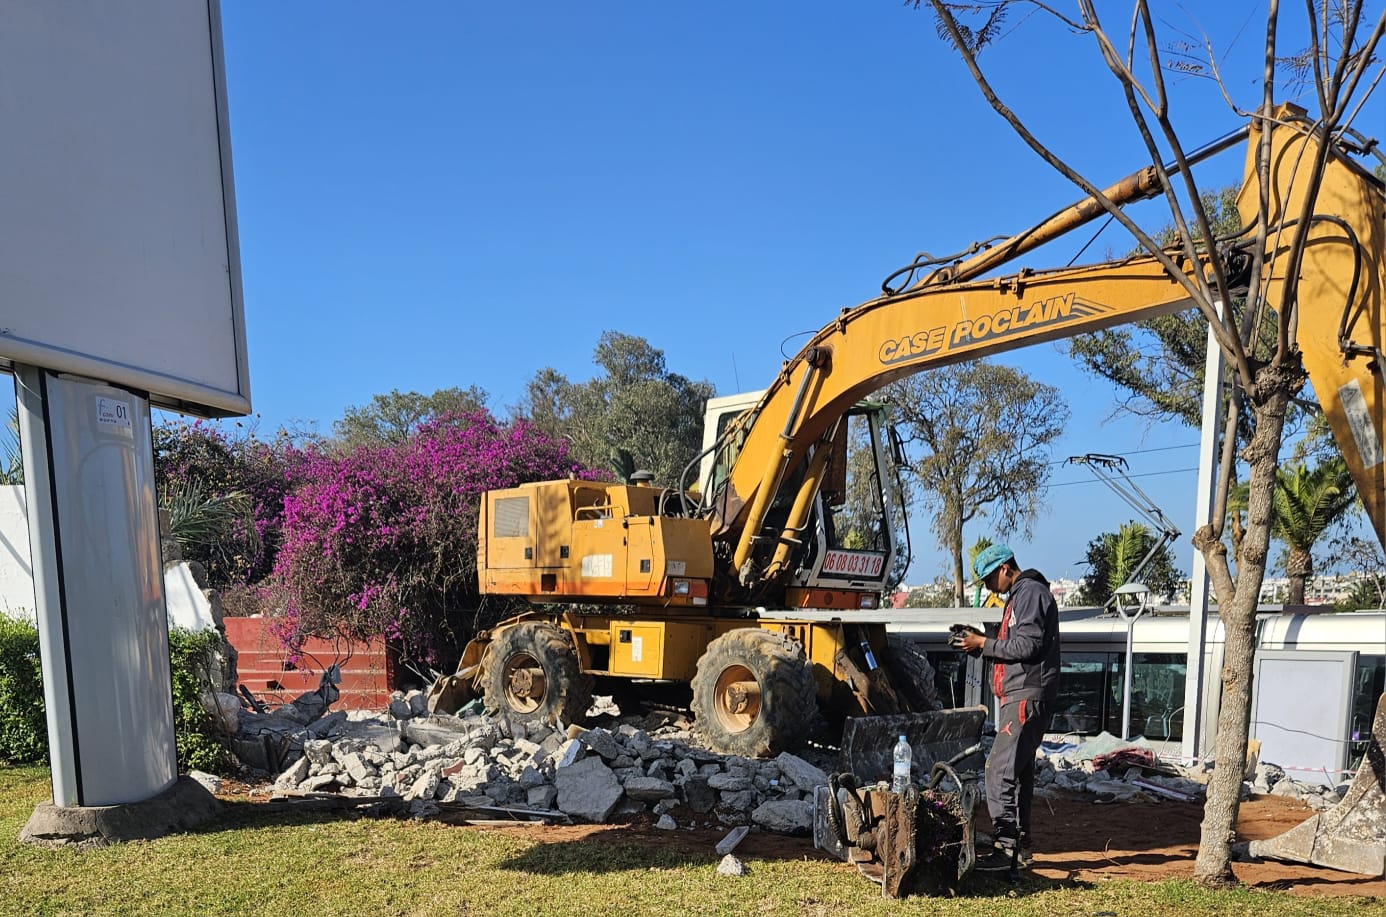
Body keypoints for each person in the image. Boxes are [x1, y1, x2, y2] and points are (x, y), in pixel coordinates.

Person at [953, 542, 1060, 873]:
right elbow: (1017, 646)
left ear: (1004, 569)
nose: (988, 589)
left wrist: (984, 643)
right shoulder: (1021, 595)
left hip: (1026, 695)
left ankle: (1006, 848)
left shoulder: (1028, 593)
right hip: (1024, 693)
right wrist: (979, 647)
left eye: (988, 580)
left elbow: (1028, 645)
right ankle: (1020, 847)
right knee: (1018, 771)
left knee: (997, 769)